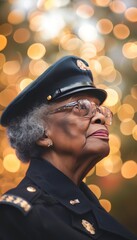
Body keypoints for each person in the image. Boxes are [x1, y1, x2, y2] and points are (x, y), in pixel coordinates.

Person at [0, 55, 136, 240]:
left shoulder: (94, 211)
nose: (100, 118)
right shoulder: (16, 218)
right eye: (81, 107)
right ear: (41, 133)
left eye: (99, 110)